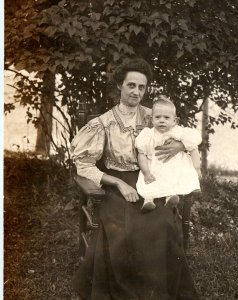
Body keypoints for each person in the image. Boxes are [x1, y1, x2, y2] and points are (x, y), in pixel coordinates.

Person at [71, 57, 199, 300]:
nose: (137, 92)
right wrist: (118, 183)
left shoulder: (156, 117)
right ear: (120, 85)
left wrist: (180, 146)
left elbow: (185, 137)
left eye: (142, 87)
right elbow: (83, 165)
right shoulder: (103, 123)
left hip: (151, 180)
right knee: (122, 231)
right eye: (131, 85)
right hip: (115, 184)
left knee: (163, 221)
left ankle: (158, 293)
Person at [135, 95, 201, 213]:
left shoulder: (179, 132)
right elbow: (142, 154)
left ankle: (171, 197)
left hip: (173, 166)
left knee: (172, 180)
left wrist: (197, 168)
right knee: (149, 182)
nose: (162, 120)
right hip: (153, 166)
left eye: (166, 117)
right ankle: (148, 200)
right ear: (152, 119)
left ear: (174, 121)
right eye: (158, 117)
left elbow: (193, 147)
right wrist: (146, 172)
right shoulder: (148, 135)